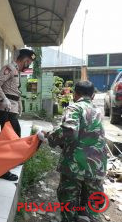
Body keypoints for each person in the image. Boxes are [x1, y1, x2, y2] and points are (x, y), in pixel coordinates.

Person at [40, 81, 107, 222]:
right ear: (93, 96)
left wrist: (50, 137)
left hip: (75, 165)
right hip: (96, 166)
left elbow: (70, 131)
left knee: (68, 203)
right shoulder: (98, 111)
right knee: (92, 206)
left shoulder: (75, 107)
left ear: (75, 94)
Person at [0, 48, 36, 181]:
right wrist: (3, 99)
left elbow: (14, 92)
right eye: (29, 63)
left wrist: (19, 107)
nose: (28, 66)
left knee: (13, 138)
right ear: (26, 60)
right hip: (5, 110)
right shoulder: (9, 68)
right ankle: (2, 170)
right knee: (8, 140)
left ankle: (11, 161)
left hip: (11, 110)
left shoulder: (16, 71)